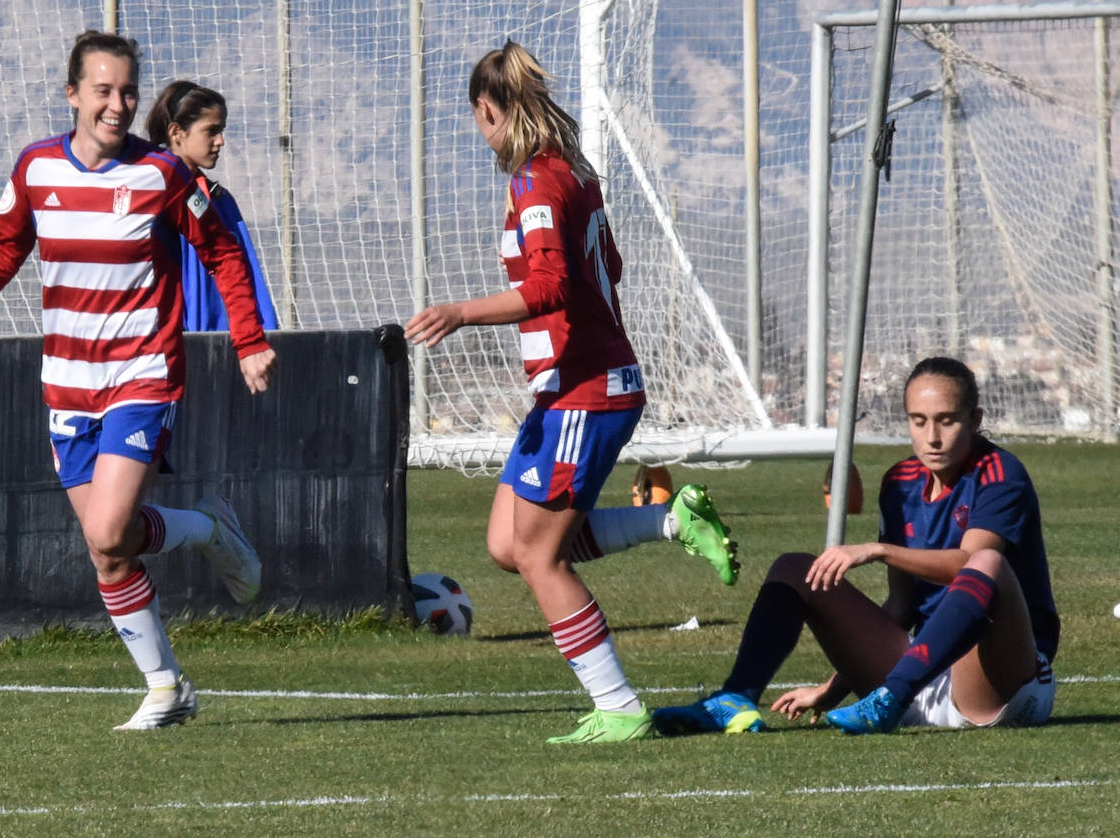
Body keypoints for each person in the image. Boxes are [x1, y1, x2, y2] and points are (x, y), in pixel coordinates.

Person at [0, 31, 278, 731]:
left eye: (128, 91)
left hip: (143, 374)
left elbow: (223, 254)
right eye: (103, 90)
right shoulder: (36, 168)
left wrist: (249, 340)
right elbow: (3, 254)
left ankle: (206, 532)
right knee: (108, 551)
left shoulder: (163, 174)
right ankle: (167, 684)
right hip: (67, 386)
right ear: (73, 94)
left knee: (108, 529)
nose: (117, 104)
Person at [403, 40, 738, 745]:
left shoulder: (536, 180)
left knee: (539, 555)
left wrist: (460, 312)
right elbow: (610, 261)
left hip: (586, 389)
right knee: (508, 543)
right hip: (568, 388)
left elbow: (551, 285)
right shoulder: (572, 172)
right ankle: (671, 521)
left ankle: (618, 706)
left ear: (487, 110)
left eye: (477, 120)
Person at [652, 356, 1059, 736]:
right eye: (918, 421)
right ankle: (736, 696)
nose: (932, 437)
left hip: (999, 684)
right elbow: (901, 607)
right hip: (921, 679)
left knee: (986, 562)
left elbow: (967, 564)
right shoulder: (900, 482)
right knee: (794, 569)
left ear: (975, 420)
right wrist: (833, 688)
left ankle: (891, 696)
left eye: (947, 421)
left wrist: (878, 550)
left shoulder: (1000, 473)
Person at [144, 79, 279, 332]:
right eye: (212, 131)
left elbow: (248, 277)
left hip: (222, 343)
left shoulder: (220, 201)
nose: (221, 141)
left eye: (222, 130)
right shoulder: (147, 198)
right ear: (177, 132)